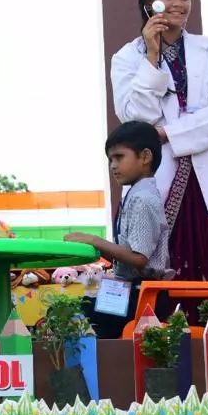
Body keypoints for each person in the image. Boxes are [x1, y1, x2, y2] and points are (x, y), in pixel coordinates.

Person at [110, 0, 208, 282]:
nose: (179, 4)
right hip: (159, 179)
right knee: (163, 271)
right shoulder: (127, 59)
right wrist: (152, 58)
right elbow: (135, 121)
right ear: (150, 4)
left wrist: (168, 134)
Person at [67, 121, 173, 339]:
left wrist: (94, 240)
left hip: (143, 296)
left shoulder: (143, 199)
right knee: (82, 310)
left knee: (71, 313)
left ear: (145, 157)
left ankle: (92, 370)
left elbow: (139, 258)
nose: (113, 165)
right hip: (131, 292)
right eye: (110, 160)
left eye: (119, 157)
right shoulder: (135, 194)